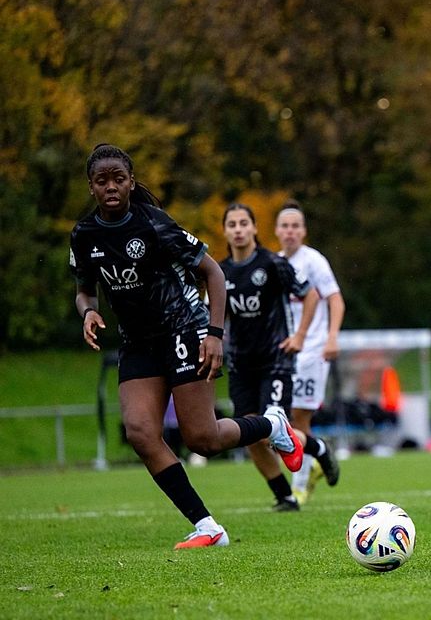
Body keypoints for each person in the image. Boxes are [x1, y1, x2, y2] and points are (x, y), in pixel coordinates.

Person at [70, 144, 302, 549]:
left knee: (203, 440)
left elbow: (212, 272)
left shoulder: (154, 224)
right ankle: (207, 526)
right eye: (102, 180)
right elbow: (84, 288)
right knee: (141, 434)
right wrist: (88, 311)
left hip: (182, 328)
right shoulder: (84, 235)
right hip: (137, 342)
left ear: (130, 182)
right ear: (91, 186)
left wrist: (213, 334)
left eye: (118, 179)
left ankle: (273, 425)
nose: (111, 187)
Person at [220, 203, 339, 511]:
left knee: (273, 425)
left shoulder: (273, 263)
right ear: (225, 231)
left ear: (255, 228)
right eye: (232, 224)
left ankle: (316, 449)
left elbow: (311, 294)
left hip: (275, 360)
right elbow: (213, 314)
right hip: (240, 364)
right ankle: (285, 494)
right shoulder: (220, 272)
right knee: (250, 435)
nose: (238, 229)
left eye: (244, 222)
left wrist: (299, 336)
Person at [275, 202, 343, 503]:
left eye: (295, 226)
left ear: (303, 231)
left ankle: (299, 485)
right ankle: (315, 458)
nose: (290, 231)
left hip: (312, 350)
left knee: (299, 417)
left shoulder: (313, 261)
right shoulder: (274, 262)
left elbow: (335, 300)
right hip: (284, 353)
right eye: (285, 226)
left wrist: (331, 338)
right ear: (277, 231)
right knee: (281, 419)